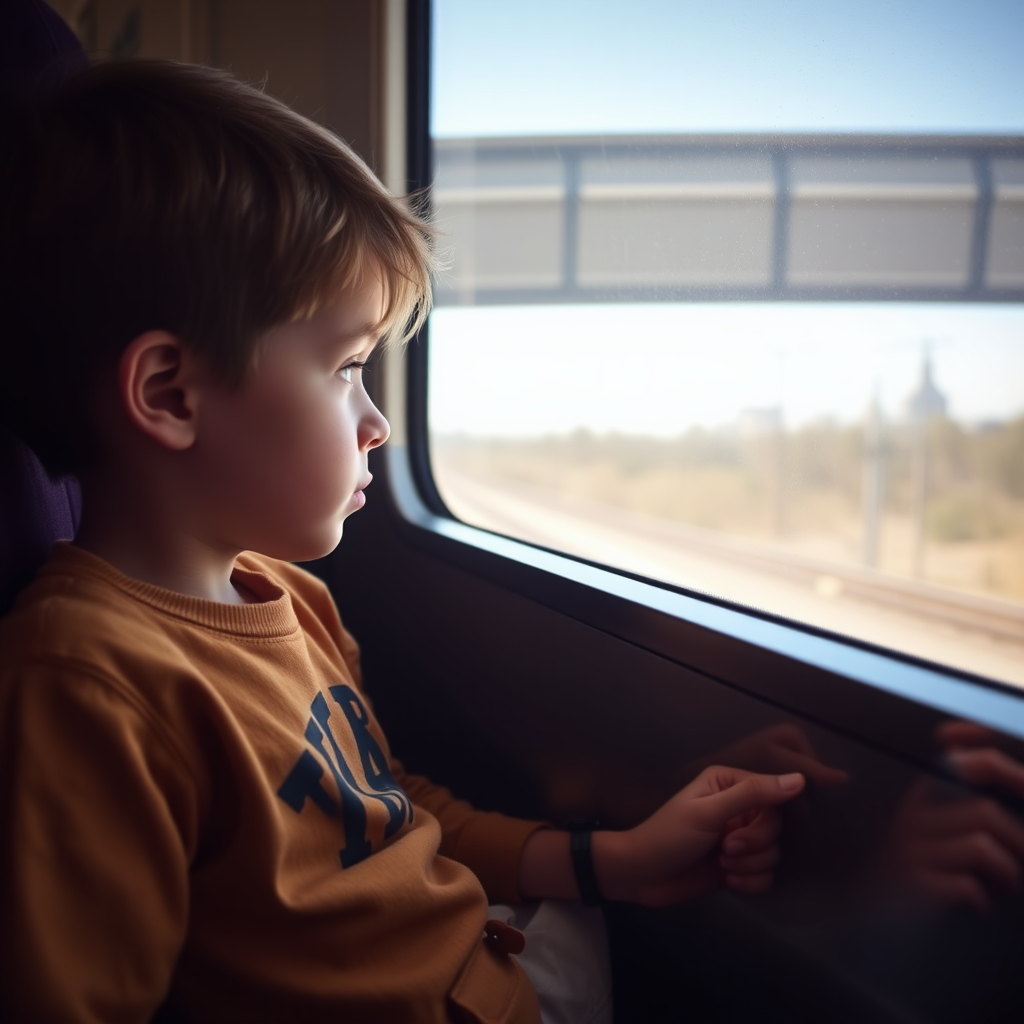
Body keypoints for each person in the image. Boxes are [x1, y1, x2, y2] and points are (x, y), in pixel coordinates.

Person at [0, 60, 806, 1024]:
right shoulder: (89, 686)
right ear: (171, 394)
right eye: (346, 368)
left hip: (496, 961)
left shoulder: (287, 598)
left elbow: (390, 817)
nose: (376, 422)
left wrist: (614, 862)